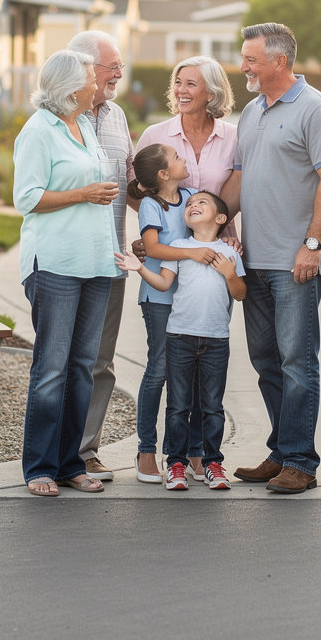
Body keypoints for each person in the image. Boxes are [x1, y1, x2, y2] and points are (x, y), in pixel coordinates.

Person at [221, 22, 321, 494]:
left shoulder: (315, 109)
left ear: (279, 61)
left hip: (296, 263)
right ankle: (281, 451)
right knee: (267, 361)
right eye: (243, 57)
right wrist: (207, 223)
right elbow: (238, 180)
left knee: (297, 362)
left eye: (250, 59)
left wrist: (311, 245)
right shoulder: (252, 112)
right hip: (255, 261)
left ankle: (301, 462)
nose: (243, 66)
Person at [13, 49, 120, 496]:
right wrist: (83, 194)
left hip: (95, 261)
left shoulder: (84, 126)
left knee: (81, 367)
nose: (97, 85)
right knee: (53, 367)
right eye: (91, 79)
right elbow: (27, 198)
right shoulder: (39, 131)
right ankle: (39, 467)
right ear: (70, 87)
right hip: (54, 263)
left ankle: (70, 463)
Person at [116, 190, 245, 492]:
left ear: (221, 218)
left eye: (202, 203)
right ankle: (176, 464)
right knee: (178, 405)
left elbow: (240, 293)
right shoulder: (178, 247)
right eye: (189, 204)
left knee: (212, 406)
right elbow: (163, 282)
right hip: (179, 337)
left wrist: (229, 274)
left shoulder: (231, 253)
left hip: (216, 339)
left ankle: (213, 463)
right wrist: (140, 269)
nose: (192, 206)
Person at [67, 30, 136, 482]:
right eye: (110, 66)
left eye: (118, 66)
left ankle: (86, 450)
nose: (118, 74)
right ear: (85, 69)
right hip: (67, 260)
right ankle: (55, 450)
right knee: (60, 358)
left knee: (100, 362)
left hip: (111, 259)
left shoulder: (116, 117)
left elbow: (131, 186)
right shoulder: (58, 118)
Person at [126, 143, 214, 484]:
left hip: (190, 298)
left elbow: (206, 230)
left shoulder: (191, 195)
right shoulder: (151, 205)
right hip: (159, 298)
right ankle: (146, 449)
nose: (183, 160)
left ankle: (193, 451)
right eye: (177, 158)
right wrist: (193, 254)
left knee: (192, 373)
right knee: (160, 369)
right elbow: (153, 248)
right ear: (163, 174)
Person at [134, 56, 239, 216]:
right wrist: (155, 226)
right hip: (167, 240)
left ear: (211, 93)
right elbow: (134, 189)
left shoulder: (234, 138)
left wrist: (215, 230)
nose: (181, 90)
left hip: (219, 238)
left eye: (191, 84)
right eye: (178, 82)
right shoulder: (154, 135)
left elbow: (240, 190)